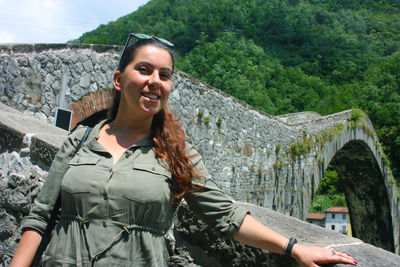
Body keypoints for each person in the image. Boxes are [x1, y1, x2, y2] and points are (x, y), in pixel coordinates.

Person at [10, 33, 357, 267]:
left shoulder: (175, 151)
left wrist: (294, 248)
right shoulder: (80, 140)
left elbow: (225, 215)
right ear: (118, 79)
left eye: (164, 74)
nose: (154, 81)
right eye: (143, 69)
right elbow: (38, 219)